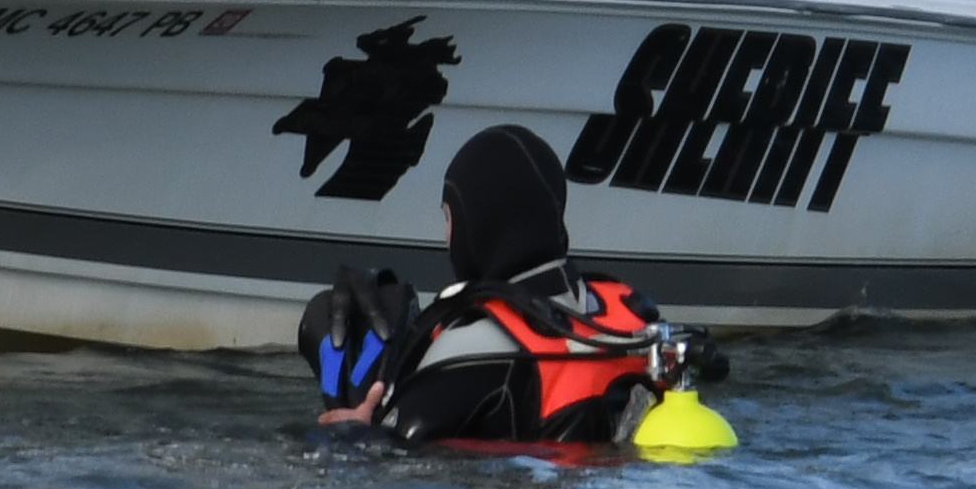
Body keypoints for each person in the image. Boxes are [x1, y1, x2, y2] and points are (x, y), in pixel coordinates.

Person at [297, 123, 725, 451]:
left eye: (449, 219)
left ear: (475, 225)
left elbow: (391, 456)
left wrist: (350, 431)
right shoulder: (632, 315)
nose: (447, 239)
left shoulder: (472, 346)